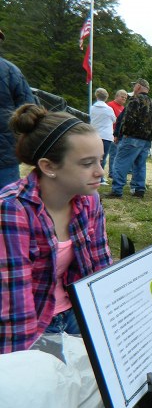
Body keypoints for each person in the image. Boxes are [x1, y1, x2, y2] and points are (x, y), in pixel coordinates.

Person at [0, 104, 113, 353]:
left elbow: (100, 269)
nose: (100, 172)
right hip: (35, 323)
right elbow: (15, 305)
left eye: (100, 160)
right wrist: (26, 365)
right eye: (86, 164)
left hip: (76, 311)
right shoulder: (11, 209)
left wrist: (110, 325)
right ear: (48, 167)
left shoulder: (89, 200)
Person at [108, 78, 152, 199]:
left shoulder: (135, 100)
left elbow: (128, 119)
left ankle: (117, 189)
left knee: (121, 162)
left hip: (132, 137)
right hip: (146, 140)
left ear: (139, 87)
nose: (133, 88)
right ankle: (139, 189)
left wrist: (123, 133)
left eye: (135, 86)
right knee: (140, 165)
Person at [0, 29, 35, 188]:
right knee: (6, 205)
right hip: (5, 155)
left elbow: (28, 112)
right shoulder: (10, 70)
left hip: (5, 154)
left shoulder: (10, 71)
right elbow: (30, 113)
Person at [90, 88, 116, 184]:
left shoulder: (92, 108)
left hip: (95, 134)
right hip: (106, 135)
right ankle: (100, 178)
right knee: (103, 157)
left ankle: (94, 175)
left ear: (96, 96)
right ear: (106, 97)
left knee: (94, 156)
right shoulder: (109, 109)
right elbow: (114, 120)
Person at [106, 89, 127, 179]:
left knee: (119, 155)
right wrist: (114, 134)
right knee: (113, 154)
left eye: (125, 98)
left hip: (120, 134)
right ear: (117, 96)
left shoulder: (122, 108)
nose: (124, 99)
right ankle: (111, 172)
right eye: (122, 97)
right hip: (111, 133)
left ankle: (116, 172)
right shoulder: (110, 105)